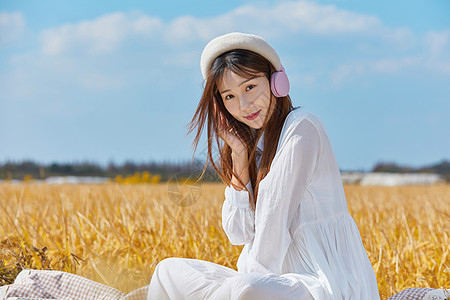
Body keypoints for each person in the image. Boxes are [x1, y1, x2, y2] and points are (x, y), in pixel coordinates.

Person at [1, 32, 448, 300]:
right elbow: (238, 233)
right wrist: (237, 158)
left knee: (244, 290)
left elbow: (267, 245)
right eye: (229, 98)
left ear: (277, 81)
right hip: (279, 283)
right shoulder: (256, 149)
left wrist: (229, 289)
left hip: (327, 287)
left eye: (250, 87)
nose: (244, 105)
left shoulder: (302, 130)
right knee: (166, 271)